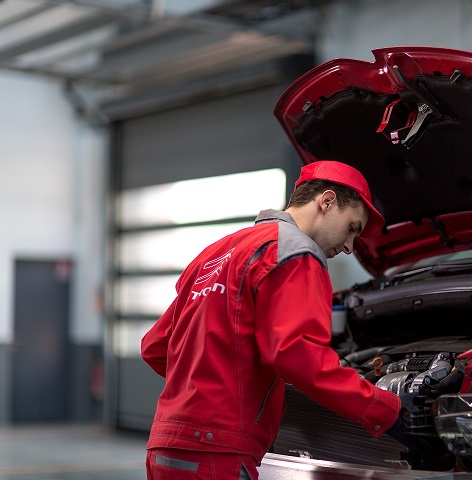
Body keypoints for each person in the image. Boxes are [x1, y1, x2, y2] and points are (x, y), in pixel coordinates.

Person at [141, 160, 402, 480]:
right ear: (327, 201)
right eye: (352, 229)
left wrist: (211, 380)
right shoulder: (296, 252)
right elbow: (296, 354)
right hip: (218, 454)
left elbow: (155, 346)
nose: (350, 247)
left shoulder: (216, 251)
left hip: (165, 447)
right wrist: (384, 409)